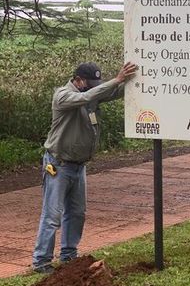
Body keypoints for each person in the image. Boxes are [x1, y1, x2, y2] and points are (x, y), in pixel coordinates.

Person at [31, 61, 138, 274]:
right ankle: (41, 261)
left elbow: (113, 92)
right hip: (58, 165)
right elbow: (86, 97)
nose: (93, 88)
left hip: (79, 166)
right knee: (53, 215)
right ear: (78, 80)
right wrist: (115, 80)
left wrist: (131, 80)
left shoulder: (90, 92)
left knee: (77, 212)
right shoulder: (63, 96)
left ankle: (69, 255)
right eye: (90, 84)